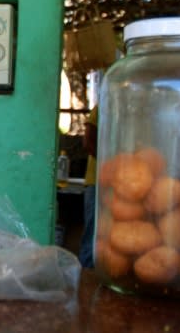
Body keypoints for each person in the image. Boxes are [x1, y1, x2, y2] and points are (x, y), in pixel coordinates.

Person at [78, 105, 98, 267]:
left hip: (127, 185)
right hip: (97, 181)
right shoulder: (103, 106)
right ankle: (86, 273)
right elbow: (88, 142)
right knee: (93, 232)